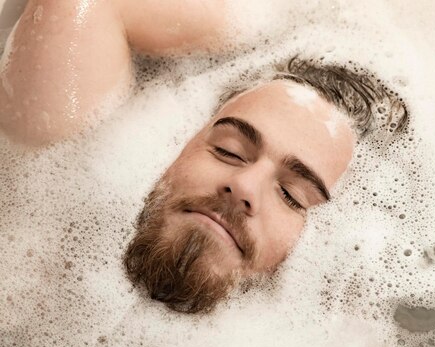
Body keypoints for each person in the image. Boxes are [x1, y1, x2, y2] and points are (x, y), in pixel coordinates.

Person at [0, 0, 408, 312]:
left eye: (291, 195)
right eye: (228, 151)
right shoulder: (43, 173)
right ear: (176, 143)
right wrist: (255, 23)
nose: (244, 186)